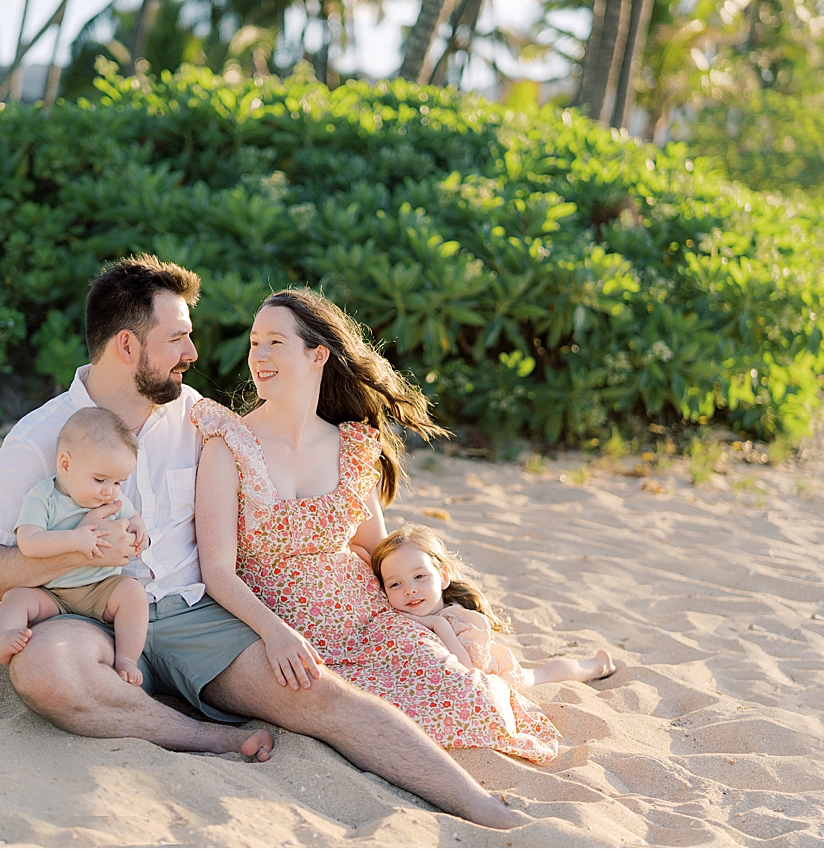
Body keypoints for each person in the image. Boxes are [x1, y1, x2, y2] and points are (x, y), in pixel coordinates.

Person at [0, 254, 526, 830]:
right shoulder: (40, 437)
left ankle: (477, 803)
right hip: (86, 610)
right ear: (127, 347)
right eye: (177, 340)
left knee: (319, 695)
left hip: (193, 617)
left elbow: (295, 477)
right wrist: (79, 546)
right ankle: (205, 736)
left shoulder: (205, 420)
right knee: (45, 671)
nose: (193, 355)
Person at [191, 287, 562, 763]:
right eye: (254, 343)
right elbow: (217, 570)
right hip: (286, 638)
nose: (258, 356)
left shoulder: (353, 447)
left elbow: (379, 550)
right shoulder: (228, 445)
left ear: (317, 354)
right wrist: (276, 633)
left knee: (472, 703)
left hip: (372, 623)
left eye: (275, 343)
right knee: (368, 719)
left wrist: (429, 611)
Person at [0, 406, 150, 686]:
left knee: (133, 593)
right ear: (65, 465)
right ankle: (4, 636)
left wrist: (138, 527)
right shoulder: (44, 497)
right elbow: (29, 542)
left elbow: (132, 515)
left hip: (101, 588)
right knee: (16, 597)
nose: (109, 490)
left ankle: (126, 658)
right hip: (52, 592)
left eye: (118, 482)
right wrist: (76, 539)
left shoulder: (112, 500)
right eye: (100, 479)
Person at [372, 524, 618, 694]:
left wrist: (439, 626)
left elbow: (469, 671)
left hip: (497, 676)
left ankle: (597, 666)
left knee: (541, 675)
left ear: (443, 576)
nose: (409, 590)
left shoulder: (459, 619)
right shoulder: (402, 613)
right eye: (395, 583)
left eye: (419, 576)